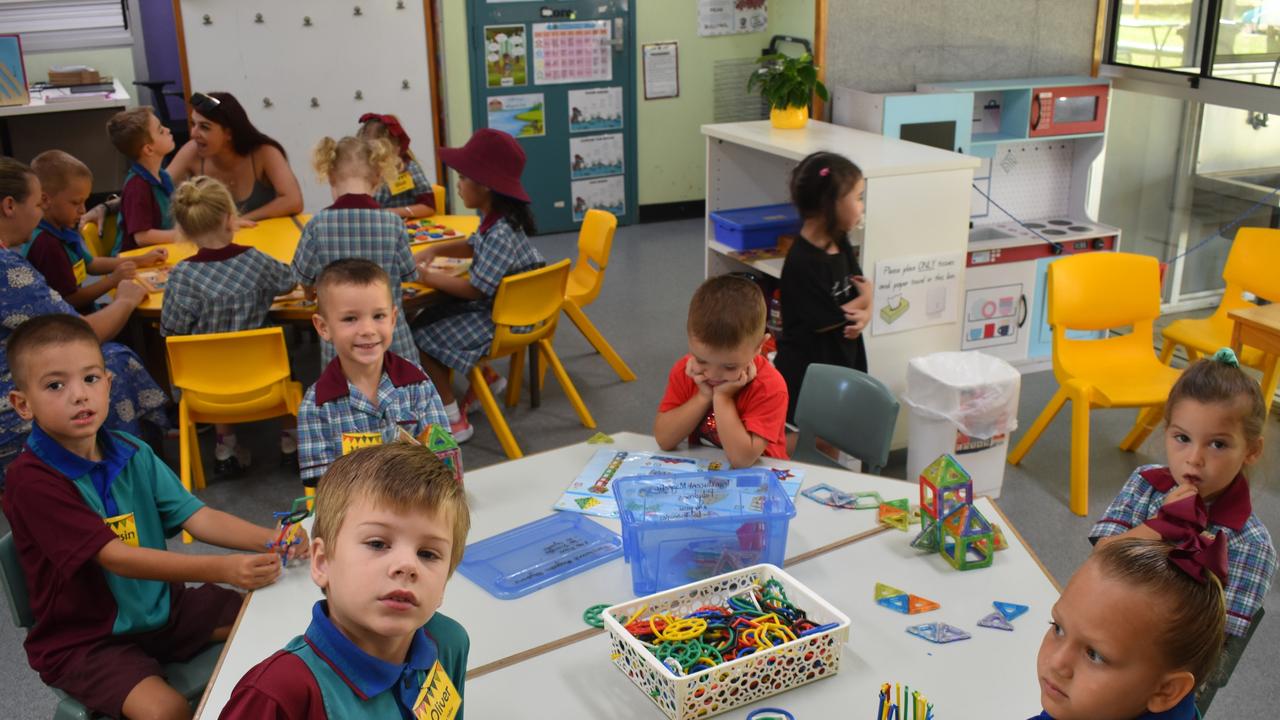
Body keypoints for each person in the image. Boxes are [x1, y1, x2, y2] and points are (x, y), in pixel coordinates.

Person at [1, 314, 307, 720]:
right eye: (55, 385)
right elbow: (115, 558)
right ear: (22, 404)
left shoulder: (132, 450)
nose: (79, 395)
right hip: (85, 638)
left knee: (269, 628)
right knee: (167, 710)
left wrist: (273, 538)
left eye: (90, 379)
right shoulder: (30, 480)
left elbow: (198, 517)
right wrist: (223, 568)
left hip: (162, 611)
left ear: (108, 383)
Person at [219, 442, 471, 719]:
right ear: (322, 561)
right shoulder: (278, 695)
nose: (407, 566)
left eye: (428, 553)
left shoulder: (448, 644)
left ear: (445, 583)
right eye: (377, 543)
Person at [0, 157, 168, 481]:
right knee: (110, 366)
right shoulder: (8, 268)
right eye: (36, 204)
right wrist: (126, 300)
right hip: (9, 397)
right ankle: (119, 474)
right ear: (9, 205)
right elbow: (76, 336)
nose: (38, 215)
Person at [1091, 349, 1276, 640]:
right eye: (1182, 438)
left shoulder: (1252, 544)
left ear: (1251, 450)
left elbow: (1215, 642)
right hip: (1102, 626)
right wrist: (1159, 526)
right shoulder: (1145, 483)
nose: (1194, 458)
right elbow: (1101, 562)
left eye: (1217, 444)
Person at [411, 129, 543, 443]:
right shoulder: (496, 219)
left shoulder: (499, 232)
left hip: (504, 320)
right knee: (428, 315)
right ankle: (485, 376)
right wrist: (435, 250)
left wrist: (425, 277)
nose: (457, 184)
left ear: (484, 186)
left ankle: (454, 420)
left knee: (418, 340)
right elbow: (472, 245)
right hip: (511, 308)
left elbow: (476, 290)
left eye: (462, 178)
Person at [160, 176, 300, 474]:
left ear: (183, 229)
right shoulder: (255, 261)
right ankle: (291, 444)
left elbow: (171, 329)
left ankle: (225, 450)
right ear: (229, 218)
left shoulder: (181, 276)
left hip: (207, 389)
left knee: (214, 358)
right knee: (285, 363)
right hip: (268, 380)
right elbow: (289, 280)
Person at [1032, 538, 1226, 720]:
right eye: (1058, 629)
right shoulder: (1097, 706)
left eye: (1094, 655)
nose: (1057, 663)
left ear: (1165, 690)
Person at [297, 260, 449, 489]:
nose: (368, 330)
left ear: (393, 319)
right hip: (355, 515)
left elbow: (443, 457)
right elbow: (323, 487)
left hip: (418, 504)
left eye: (378, 316)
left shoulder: (416, 382)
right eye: (350, 319)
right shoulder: (315, 405)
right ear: (323, 328)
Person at [292, 135, 420, 370]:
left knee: (345, 398)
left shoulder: (317, 225)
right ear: (378, 178)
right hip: (390, 338)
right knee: (402, 398)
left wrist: (311, 294)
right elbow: (410, 275)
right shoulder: (393, 223)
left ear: (330, 176)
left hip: (341, 342)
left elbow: (302, 278)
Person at [772, 151, 871, 422]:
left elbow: (857, 288)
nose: (861, 206)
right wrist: (866, 301)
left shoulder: (840, 240)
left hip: (841, 358)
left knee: (836, 432)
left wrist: (867, 309)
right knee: (813, 437)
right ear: (831, 204)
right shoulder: (802, 262)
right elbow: (834, 316)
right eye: (858, 197)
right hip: (810, 369)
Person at [654, 274, 789, 467]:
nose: (713, 374)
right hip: (709, 473)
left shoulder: (769, 387)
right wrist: (703, 397)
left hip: (761, 478)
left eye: (729, 366)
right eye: (702, 360)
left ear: (759, 346)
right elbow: (664, 439)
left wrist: (722, 398)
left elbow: (742, 460)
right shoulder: (686, 370)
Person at [22, 150, 166, 313]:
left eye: (85, 201)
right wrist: (112, 280)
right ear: (45, 200)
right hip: (71, 323)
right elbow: (71, 299)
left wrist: (141, 260)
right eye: (76, 203)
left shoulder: (61, 229)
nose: (83, 210)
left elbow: (90, 264)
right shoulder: (47, 245)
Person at [165, 92, 303, 221]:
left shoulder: (264, 152)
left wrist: (239, 221)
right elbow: (156, 191)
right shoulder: (192, 152)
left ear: (229, 133)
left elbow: (293, 201)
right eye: (193, 125)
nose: (193, 134)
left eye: (204, 127)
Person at [106, 107, 178, 253]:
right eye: (160, 130)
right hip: (132, 262)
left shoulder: (163, 176)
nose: (168, 130)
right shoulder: (137, 187)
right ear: (149, 149)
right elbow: (142, 237)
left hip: (160, 252)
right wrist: (183, 236)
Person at [357, 113, 437, 219]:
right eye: (369, 154)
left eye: (380, 156)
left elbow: (429, 207)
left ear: (396, 149)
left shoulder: (408, 168)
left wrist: (395, 212)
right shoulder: (361, 170)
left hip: (402, 228)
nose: (374, 160)